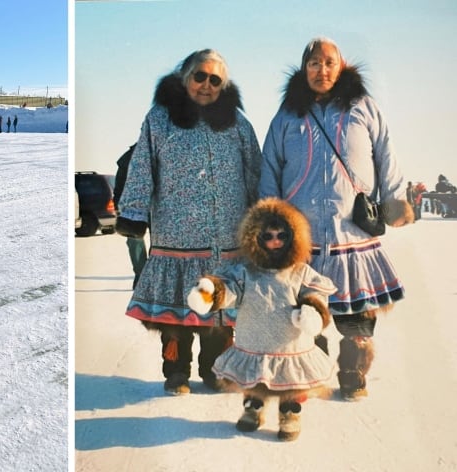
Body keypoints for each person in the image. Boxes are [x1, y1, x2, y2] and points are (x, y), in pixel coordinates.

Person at [259, 37, 413, 401]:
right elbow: (270, 165)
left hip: (352, 231)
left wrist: (394, 200)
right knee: (303, 314)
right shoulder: (286, 115)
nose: (321, 70)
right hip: (302, 235)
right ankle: (314, 368)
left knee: (356, 314)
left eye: (329, 63)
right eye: (314, 63)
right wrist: (269, 214)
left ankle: (353, 371)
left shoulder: (364, 106)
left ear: (340, 66)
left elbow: (386, 154)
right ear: (304, 68)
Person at [116, 49, 262, 395]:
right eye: (200, 76)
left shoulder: (238, 124)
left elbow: (255, 171)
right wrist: (134, 212)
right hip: (176, 236)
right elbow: (141, 168)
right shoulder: (160, 119)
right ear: (185, 77)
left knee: (218, 312)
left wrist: (263, 218)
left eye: (216, 80)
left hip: (227, 238)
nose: (207, 85)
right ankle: (176, 373)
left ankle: (215, 371)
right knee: (177, 312)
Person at [188, 198, 336, 441]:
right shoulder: (246, 270)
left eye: (281, 236)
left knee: (291, 383)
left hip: (290, 344)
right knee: (255, 381)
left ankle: (290, 413)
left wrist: (312, 311)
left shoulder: (300, 271)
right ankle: (253, 408)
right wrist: (211, 294)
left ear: (293, 238)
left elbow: (316, 292)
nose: (275, 241)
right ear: (254, 238)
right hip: (254, 340)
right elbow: (231, 289)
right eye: (267, 236)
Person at [113, 143, 147, 289]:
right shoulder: (129, 157)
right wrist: (118, 204)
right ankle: (142, 277)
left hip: (159, 206)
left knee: (160, 244)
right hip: (135, 206)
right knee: (135, 240)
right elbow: (120, 182)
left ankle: (150, 277)